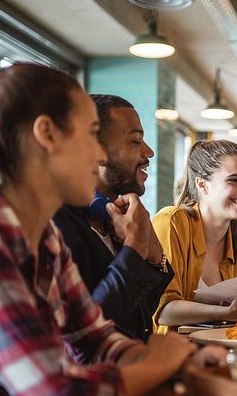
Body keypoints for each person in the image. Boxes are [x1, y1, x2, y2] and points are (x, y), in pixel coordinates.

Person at [0, 63, 215, 395]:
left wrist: (179, 358)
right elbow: (53, 389)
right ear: (47, 134)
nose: (99, 155)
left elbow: (95, 340)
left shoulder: (47, 239)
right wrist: (157, 364)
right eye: (92, 134)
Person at [53, 94, 173, 342]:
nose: (148, 152)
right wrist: (135, 248)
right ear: (94, 148)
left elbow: (138, 314)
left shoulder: (118, 217)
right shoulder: (57, 225)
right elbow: (89, 335)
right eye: (135, 141)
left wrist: (154, 259)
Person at [152, 139, 237, 333]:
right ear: (202, 185)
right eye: (233, 180)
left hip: (227, 347)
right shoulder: (171, 222)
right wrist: (228, 312)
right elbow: (164, 311)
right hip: (175, 352)